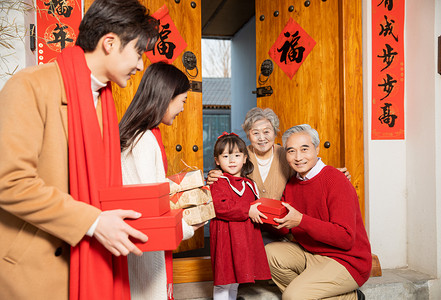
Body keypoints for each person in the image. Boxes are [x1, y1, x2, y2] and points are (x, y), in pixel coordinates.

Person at [0, 0, 159, 299]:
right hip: (36, 269)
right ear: (109, 43)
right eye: (138, 53)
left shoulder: (104, 99)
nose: (140, 65)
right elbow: (9, 181)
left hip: (87, 261)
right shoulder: (30, 86)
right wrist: (93, 221)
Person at [119, 62, 205, 300]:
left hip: (134, 236)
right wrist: (187, 227)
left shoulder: (137, 133)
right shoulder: (145, 138)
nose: (182, 108)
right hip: (145, 241)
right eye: (183, 101)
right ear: (167, 97)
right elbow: (149, 203)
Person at [207, 107, 350, 243]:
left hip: (281, 228)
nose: (261, 138)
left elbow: (308, 170)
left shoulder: (288, 153)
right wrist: (215, 174)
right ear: (248, 134)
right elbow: (226, 180)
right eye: (255, 133)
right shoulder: (240, 156)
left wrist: (332, 175)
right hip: (247, 226)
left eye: (267, 131)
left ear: (275, 133)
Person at [265, 124, 371, 300]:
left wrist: (301, 220)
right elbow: (284, 228)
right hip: (311, 253)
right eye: (291, 151)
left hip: (346, 261)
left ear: (317, 148)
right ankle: (326, 294)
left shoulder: (336, 180)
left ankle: (349, 297)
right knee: (270, 253)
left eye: (304, 149)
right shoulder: (292, 184)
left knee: (292, 297)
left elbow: (345, 238)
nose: (298, 157)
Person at [209, 132, 272, 300]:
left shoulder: (250, 184)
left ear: (245, 158)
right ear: (217, 160)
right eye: (226, 156)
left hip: (244, 238)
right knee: (224, 278)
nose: (232, 160)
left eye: (237, 155)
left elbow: (258, 207)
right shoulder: (218, 182)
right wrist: (247, 211)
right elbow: (220, 206)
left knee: (237, 277)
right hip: (226, 238)